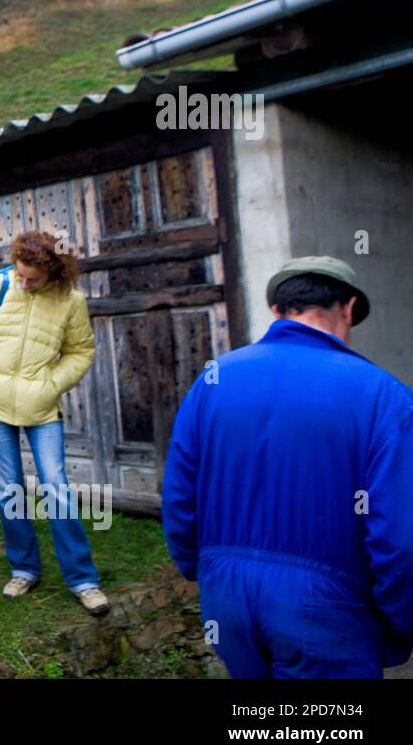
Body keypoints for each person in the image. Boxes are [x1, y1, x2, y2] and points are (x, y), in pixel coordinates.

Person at [162, 256, 413, 678]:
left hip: (225, 596)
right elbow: (399, 537)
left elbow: (179, 498)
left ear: (276, 311)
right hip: (328, 606)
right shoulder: (384, 396)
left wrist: (206, 571)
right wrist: (401, 622)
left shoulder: (214, 380)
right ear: (349, 309)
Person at [0, 231, 109, 616]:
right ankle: (24, 569)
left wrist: (51, 384)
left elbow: (81, 351)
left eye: (31, 278)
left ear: (52, 272)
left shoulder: (72, 301)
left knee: (57, 489)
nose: (23, 282)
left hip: (42, 410)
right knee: (9, 491)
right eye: (19, 274)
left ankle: (83, 580)